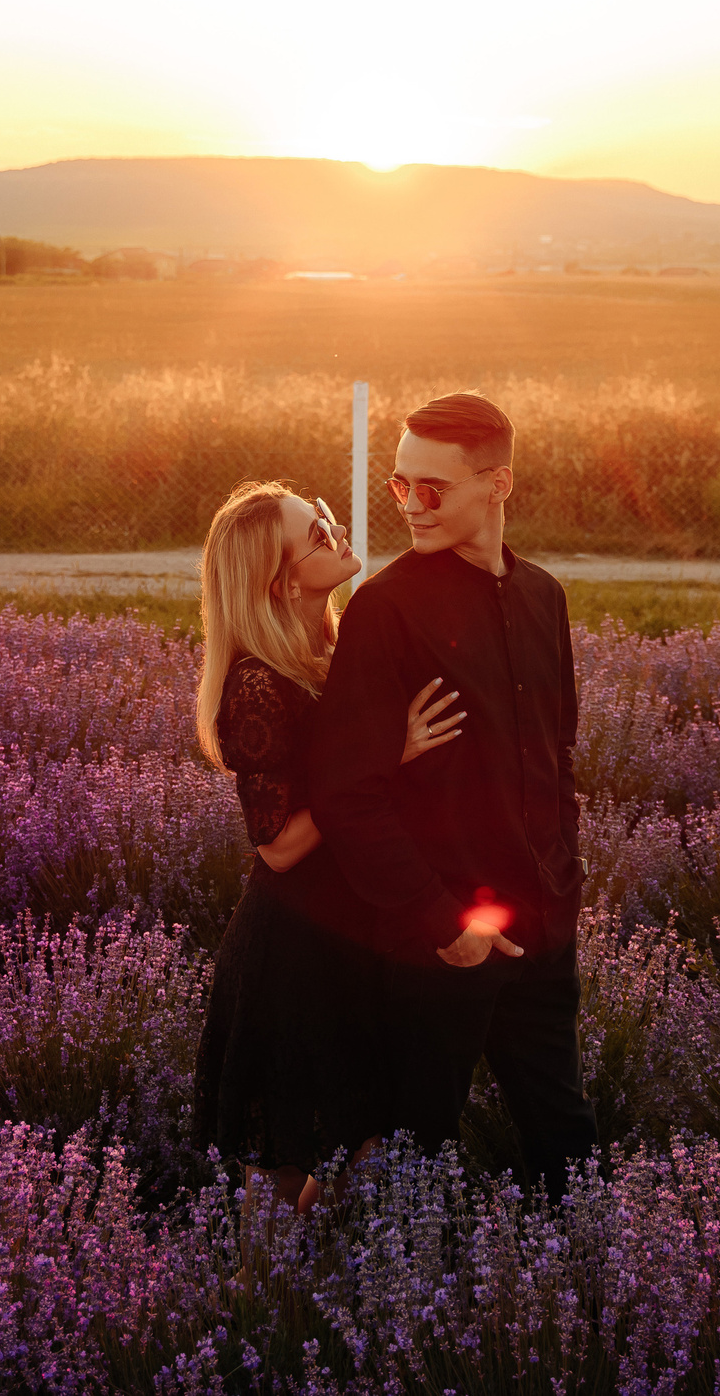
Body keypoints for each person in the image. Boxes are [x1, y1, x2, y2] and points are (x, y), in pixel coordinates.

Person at [310, 392, 598, 1198]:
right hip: (435, 947)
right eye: (401, 485)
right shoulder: (385, 609)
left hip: (541, 931)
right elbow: (347, 794)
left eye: (432, 487)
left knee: (568, 1146)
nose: (412, 504)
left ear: (496, 484)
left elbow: (557, 756)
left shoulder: (544, 596)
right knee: (407, 1155)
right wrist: (445, 923)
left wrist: (562, 883)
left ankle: (587, 1279)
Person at [191, 479, 465, 1212]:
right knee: (286, 1166)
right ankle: (259, 1286)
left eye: (325, 517)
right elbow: (278, 847)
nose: (336, 531)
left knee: (360, 1140)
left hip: (356, 934)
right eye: (315, 533)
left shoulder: (334, 647)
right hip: (294, 953)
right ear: (281, 582)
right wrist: (386, 757)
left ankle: (314, 1274)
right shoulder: (258, 684)